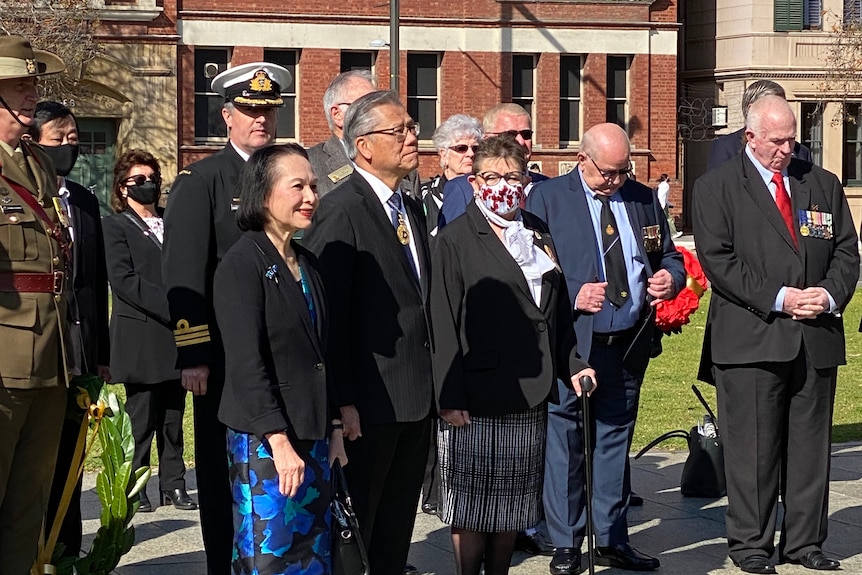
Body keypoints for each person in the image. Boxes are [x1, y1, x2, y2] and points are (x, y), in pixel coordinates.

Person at [693, 95, 858, 575]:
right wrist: (782, 297)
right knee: (753, 450)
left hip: (815, 335)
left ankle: (805, 542)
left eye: (792, 139)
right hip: (752, 337)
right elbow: (720, 263)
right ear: (750, 137)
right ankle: (750, 545)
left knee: (810, 450)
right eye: (777, 140)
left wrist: (825, 297)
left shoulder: (822, 185)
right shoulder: (717, 188)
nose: (787, 149)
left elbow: (847, 252)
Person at [430, 135, 595, 575]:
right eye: (492, 177)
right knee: (473, 504)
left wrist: (573, 364)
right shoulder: (455, 239)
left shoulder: (536, 231)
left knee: (512, 504)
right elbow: (442, 321)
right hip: (475, 394)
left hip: (530, 388)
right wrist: (449, 396)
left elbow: (553, 314)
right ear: (473, 180)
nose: (503, 185)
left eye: (513, 176)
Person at [526, 123, 685, 574]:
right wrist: (575, 292)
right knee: (567, 439)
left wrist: (669, 278)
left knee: (615, 438)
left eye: (623, 170)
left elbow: (668, 254)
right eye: (608, 172)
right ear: (583, 160)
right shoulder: (548, 198)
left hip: (628, 340)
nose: (616, 180)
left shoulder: (641, 198)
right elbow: (532, 267)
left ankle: (612, 537)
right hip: (575, 342)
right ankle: (565, 541)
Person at [162, 60, 292, 575]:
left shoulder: (286, 175)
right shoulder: (203, 181)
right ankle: (224, 562)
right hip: (223, 355)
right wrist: (193, 353)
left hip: (282, 350)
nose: (259, 120)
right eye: (248, 111)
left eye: (267, 111)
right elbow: (184, 276)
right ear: (227, 116)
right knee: (223, 471)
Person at [303, 90, 433, 575]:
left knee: (396, 531)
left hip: (414, 399)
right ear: (363, 145)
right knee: (359, 530)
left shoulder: (410, 206)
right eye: (398, 130)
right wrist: (343, 403)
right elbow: (329, 317)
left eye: (412, 127)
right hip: (367, 405)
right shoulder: (341, 211)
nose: (411, 137)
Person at [214, 143, 346, 575]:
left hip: (313, 435)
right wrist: (279, 440)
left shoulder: (306, 262)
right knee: (270, 557)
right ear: (264, 195)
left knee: (313, 556)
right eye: (298, 186)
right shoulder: (241, 264)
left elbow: (322, 353)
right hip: (266, 443)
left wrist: (336, 427)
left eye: (313, 186)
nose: (311, 196)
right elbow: (246, 363)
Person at [30, 101, 111, 559]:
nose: (67, 147)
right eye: (57, 139)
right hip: (38, 350)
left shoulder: (82, 199)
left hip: (80, 351)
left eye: (73, 139)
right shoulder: (19, 197)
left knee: (72, 455)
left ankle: (65, 550)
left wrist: (101, 352)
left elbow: (94, 281)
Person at [0, 36, 69, 574]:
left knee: (30, 500)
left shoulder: (37, 164)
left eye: (30, 84)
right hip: (3, 360)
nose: (30, 95)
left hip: (51, 356)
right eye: (17, 86)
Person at [104, 150, 195, 513]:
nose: (147, 185)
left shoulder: (171, 222)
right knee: (141, 419)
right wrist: (173, 307)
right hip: (142, 334)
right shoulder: (115, 226)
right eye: (137, 180)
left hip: (176, 338)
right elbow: (124, 279)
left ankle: (173, 484)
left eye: (152, 178)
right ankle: (137, 485)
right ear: (122, 189)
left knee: (173, 418)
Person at [308, 70, 420, 198]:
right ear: (337, 115)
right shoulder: (311, 164)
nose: (377, 112)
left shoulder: (405, 169)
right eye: (364, 106)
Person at [438, 103, 548, 229]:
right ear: (487, 139)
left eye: (526, 134)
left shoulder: (548, 187)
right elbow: (453, 242)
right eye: (510, 134)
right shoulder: (462, 189)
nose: (521, 141)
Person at [706, 80, 813, 172]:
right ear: (751, 110)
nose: (786, 149)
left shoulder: (801, 152)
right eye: (773, 107)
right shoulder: (725, 148)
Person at [419, 114, 483, 236]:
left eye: (476, 148)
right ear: (444, 154)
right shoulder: (424, 196)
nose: (470, 153)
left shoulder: (486, 192)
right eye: (461, 148)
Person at [655, 173, 682, 239]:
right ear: (666, 178)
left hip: (661, 204)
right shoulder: (666, 185)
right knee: (669, 219)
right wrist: (664, 205)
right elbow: (663, 196)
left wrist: (669, 204)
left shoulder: (660, 185)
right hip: (663, 205)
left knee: (662, 219)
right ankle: (673, 233)